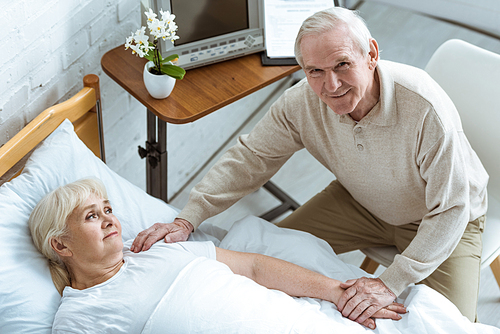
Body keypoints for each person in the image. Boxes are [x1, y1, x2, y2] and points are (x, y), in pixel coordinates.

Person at [131, 6, 488, 324]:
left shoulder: (424, 109)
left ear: (372, 54)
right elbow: (251, 158)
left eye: (342, 65)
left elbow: (452, 207)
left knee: (451, 326)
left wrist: (390, 281)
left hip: (441, 217)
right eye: (315, 70)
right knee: (264, 260)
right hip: (360, 202)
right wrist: (187, 218)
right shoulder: (301, 102)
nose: (330, 85)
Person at [29, 178, 405, 333]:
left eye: (108, 209)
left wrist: (338, 292)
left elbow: (255, 267)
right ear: (61, 245)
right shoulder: (80, 315)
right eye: (92, 216)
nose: (109, 219)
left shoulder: (155, 252)